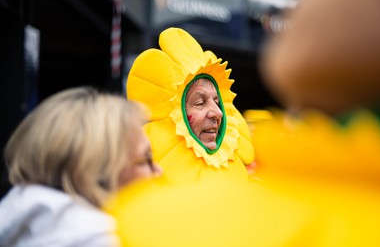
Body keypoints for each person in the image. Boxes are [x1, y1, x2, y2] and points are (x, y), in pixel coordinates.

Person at [0, 86, 162, 247]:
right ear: (96, 171)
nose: (159, 171)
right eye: (146, 159)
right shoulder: (108, 240)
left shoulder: (19, 216)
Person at [126, 27, 254, 183]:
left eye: (217, 102)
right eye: (200, 102)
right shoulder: (148, 181)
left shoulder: (240, 183)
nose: (218, 113)